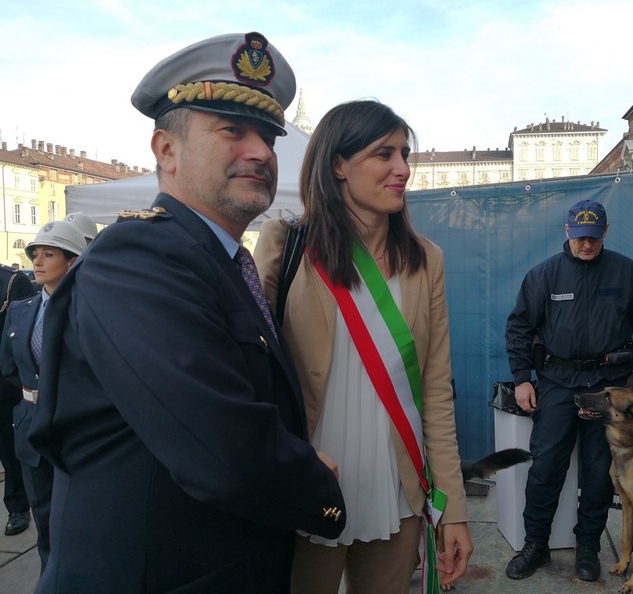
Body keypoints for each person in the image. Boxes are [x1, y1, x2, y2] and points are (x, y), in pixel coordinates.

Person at [27, 32, 345, 593]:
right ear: (166, 151)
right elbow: (222, 449)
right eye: (232, 130)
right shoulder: (137, 257)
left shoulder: (214, 261)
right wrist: (318, 489)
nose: (261, 152)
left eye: (268, 137)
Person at [254, 99, 473, 593]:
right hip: (309, 483)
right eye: (384, 154)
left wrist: (453, 509)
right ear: (338, 164)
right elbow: (254, 372)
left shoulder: (427, 261)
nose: (403, 169)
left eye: (404, 154)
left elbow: (436, 391)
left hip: (396, 487)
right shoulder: (286, 244)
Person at [504, 199, 633, 582]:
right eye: (579, 237)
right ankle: (535, 544)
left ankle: (588, 547)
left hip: (609, 387)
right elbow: (520, 328)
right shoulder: (544, 276)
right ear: (567, 232)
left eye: (593, 237)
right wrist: (522, 378)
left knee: (598, 472)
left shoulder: (629, 274)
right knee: (545, 467)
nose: (587, 244)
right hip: (557, 383)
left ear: (605, 232)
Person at [0, 221, 86, 571]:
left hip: (78, 425)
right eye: (35, 254)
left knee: (83, 515)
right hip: (31, 424)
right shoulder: (21, 309)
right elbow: (9, 367)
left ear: (72, 261)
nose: (37, 262)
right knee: (45, 515)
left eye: (49, 254)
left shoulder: (91, 308)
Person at [0, 263, 35, 537]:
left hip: (5, 383)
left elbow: (24, 333)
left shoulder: (12, 282)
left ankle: (18, 506)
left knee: (10, 448)